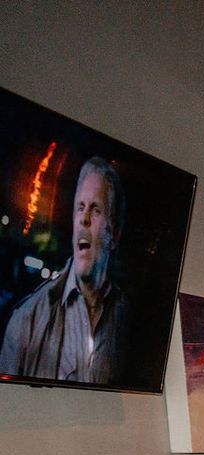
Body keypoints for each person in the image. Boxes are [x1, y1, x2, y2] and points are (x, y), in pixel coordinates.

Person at [0, 157, 131, 385]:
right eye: (80, 207)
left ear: (114, 236)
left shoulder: (126, 318)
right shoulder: (26, 320)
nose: (84, 219)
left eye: (96, 210)